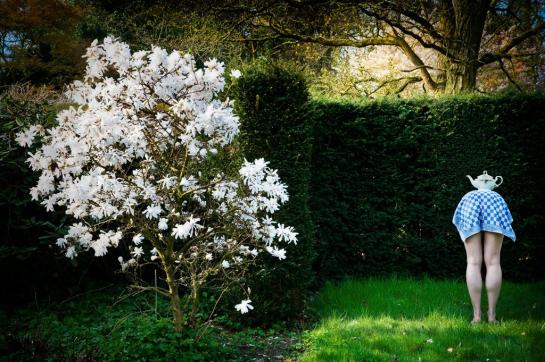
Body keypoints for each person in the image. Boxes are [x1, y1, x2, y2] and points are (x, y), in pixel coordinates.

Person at [452, 189, 516, 324]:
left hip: (470, 205)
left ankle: (477, 316)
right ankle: (492, 315)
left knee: (473, 262)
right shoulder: (496, 196)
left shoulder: (469, 195)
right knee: (493, 262)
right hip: (494, 206)